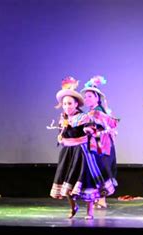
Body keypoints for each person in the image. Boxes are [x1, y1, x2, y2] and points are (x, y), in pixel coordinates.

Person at [49, 76, 116, 220]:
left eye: (70, 103)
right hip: (68, 153)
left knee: (86, 182)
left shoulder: (83, 117)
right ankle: (73, 206)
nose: (67, 106)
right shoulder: (64, 119)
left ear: (76, 104)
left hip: (82, 153)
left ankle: (89, 212)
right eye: (65, 104)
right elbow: (63, 134)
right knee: (66, 182)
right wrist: (60, 137)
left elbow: (89, 127)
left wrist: (89, 130)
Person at [80, 75, 119, 209]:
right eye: (85, 97)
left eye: (90, 96)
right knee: (96, 170)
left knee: (101, 170)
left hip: (101, 146)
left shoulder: (98, 112)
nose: (86, 99)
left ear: (97, 97)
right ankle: (99, 198)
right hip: (96, 145)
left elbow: (111, 124)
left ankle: (102, 200)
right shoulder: (91, 112)